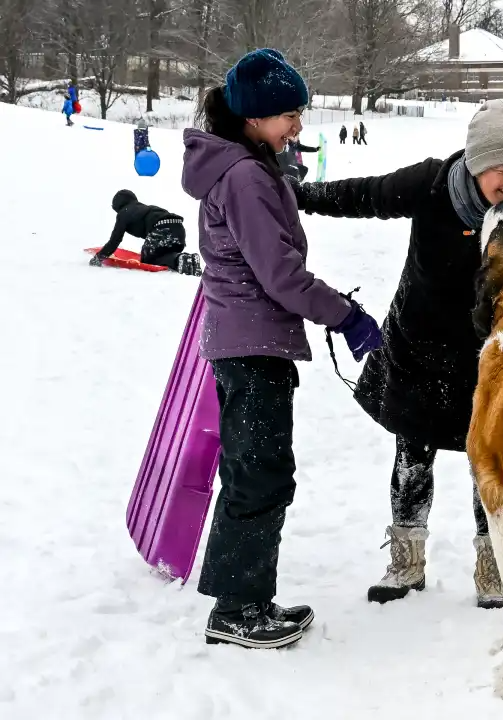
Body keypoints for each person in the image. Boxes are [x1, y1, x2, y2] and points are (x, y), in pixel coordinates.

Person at [292, 99, 503, 608]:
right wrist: (296, 195)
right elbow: (364, 195)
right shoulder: (433, 185)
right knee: (412, 456)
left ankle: (495, 567)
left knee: (493, 465)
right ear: (477, 164)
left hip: (492, 359)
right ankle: (405, 564)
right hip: (420, 347)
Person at [180, 48, 383, 649]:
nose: (298, 125)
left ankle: (243, 601)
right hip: (252, 344)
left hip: (247, 340)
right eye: (289, 115)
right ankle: (237, 611)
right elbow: (281, 276)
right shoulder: (244, 176)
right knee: (260, 473)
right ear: (253, 117)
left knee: (255, 469)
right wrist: (346, 315)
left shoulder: (246, 166)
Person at [90, 189, 201, 275]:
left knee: (149, 258)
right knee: (162, 253)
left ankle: (180, 259)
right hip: (179, 229)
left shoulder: (124, 213)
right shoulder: (145, 208)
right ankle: (186, 259)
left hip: (162, 229)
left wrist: (99, 258)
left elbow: (115, 240)